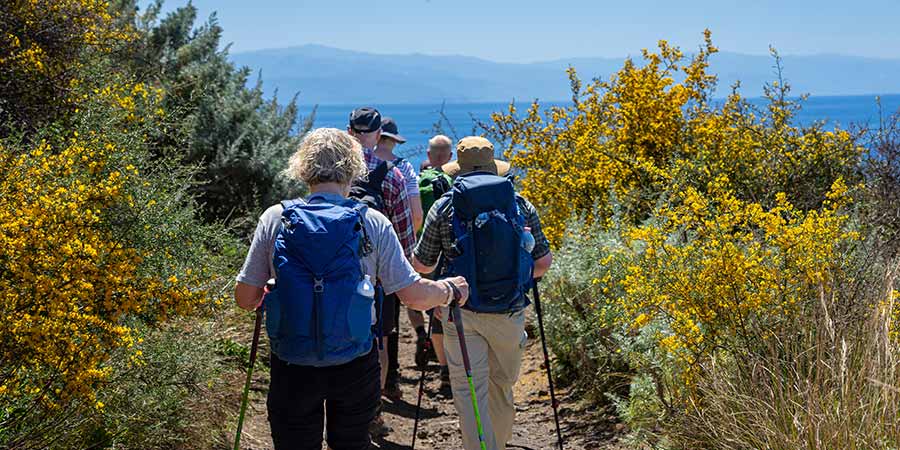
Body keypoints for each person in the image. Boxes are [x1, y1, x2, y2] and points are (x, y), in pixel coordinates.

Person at [234, 128, 469, 450]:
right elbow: (413, 296)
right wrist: (449, 290)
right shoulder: (372, 221)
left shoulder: (276, 218)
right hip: (354, 362)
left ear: (302, 167)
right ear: (354, 168)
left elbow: (244, 298)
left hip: (292, 361)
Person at [413, 136, 553, 450]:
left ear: (459, 168)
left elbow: (423, 265)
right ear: (493, 166)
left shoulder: (445, 205)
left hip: (460, 312)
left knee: (469, 393)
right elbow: (543, 263)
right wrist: (514, 274)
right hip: (509, 310)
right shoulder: (519, 203)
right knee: (501, 388)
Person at [346, 107, 416, 431]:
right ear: (378, 134)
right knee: (380, 342)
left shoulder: (329, 169)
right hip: (376, 276)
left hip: (331, 272)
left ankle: (339, 413)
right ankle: (372, 414)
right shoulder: (392, 173)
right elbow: (405, 233)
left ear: (349, 131)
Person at [372, 116, 422, 400]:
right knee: (388, 323)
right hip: (389, 257)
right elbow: (416, 216)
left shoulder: (355, 165)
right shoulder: (403, 168)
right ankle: (389, 381)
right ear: (393, 140)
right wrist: (404, 257)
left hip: (353, 259)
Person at [411, 134, 455, 392]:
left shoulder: (419, 181)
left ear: (428, 155)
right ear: (450, 157)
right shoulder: (454, 182)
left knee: (417, 301)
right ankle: (448, 368)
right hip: (448, 253)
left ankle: (421, 334)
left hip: (421, 251)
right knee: (444, 310)